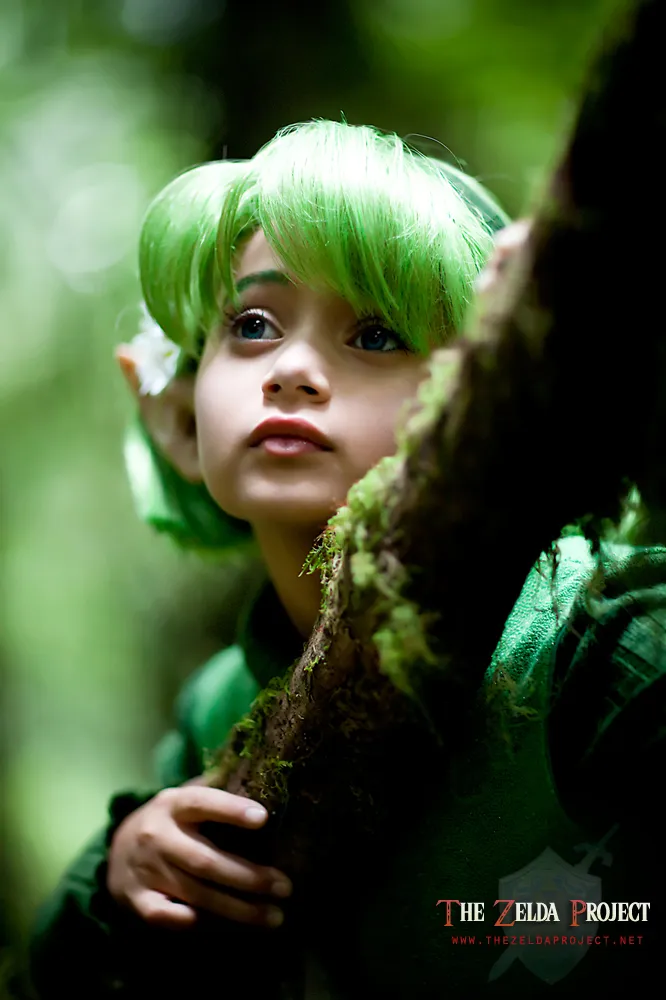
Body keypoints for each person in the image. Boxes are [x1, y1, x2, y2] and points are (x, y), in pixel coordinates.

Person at [28, 119, 665, 999]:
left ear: (484, 390)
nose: (292, 369)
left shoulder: (589, 635)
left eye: (375, 336)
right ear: (176, 420)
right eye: (253, 324)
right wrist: (120, 869)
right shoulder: (217, 708)